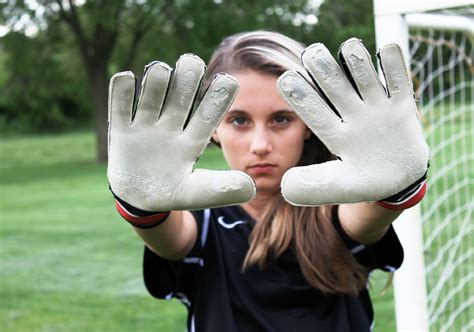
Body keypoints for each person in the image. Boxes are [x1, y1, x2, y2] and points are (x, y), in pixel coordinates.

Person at [107, 31, 429, 331]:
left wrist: (395, 184)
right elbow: (167, 234)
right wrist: (141, 202)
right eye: (239, 120)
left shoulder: (339, 206)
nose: (260, 144)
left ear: (309, 123)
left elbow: (369, 215)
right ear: (212, 128)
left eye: (280, 119)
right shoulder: (200, 224)